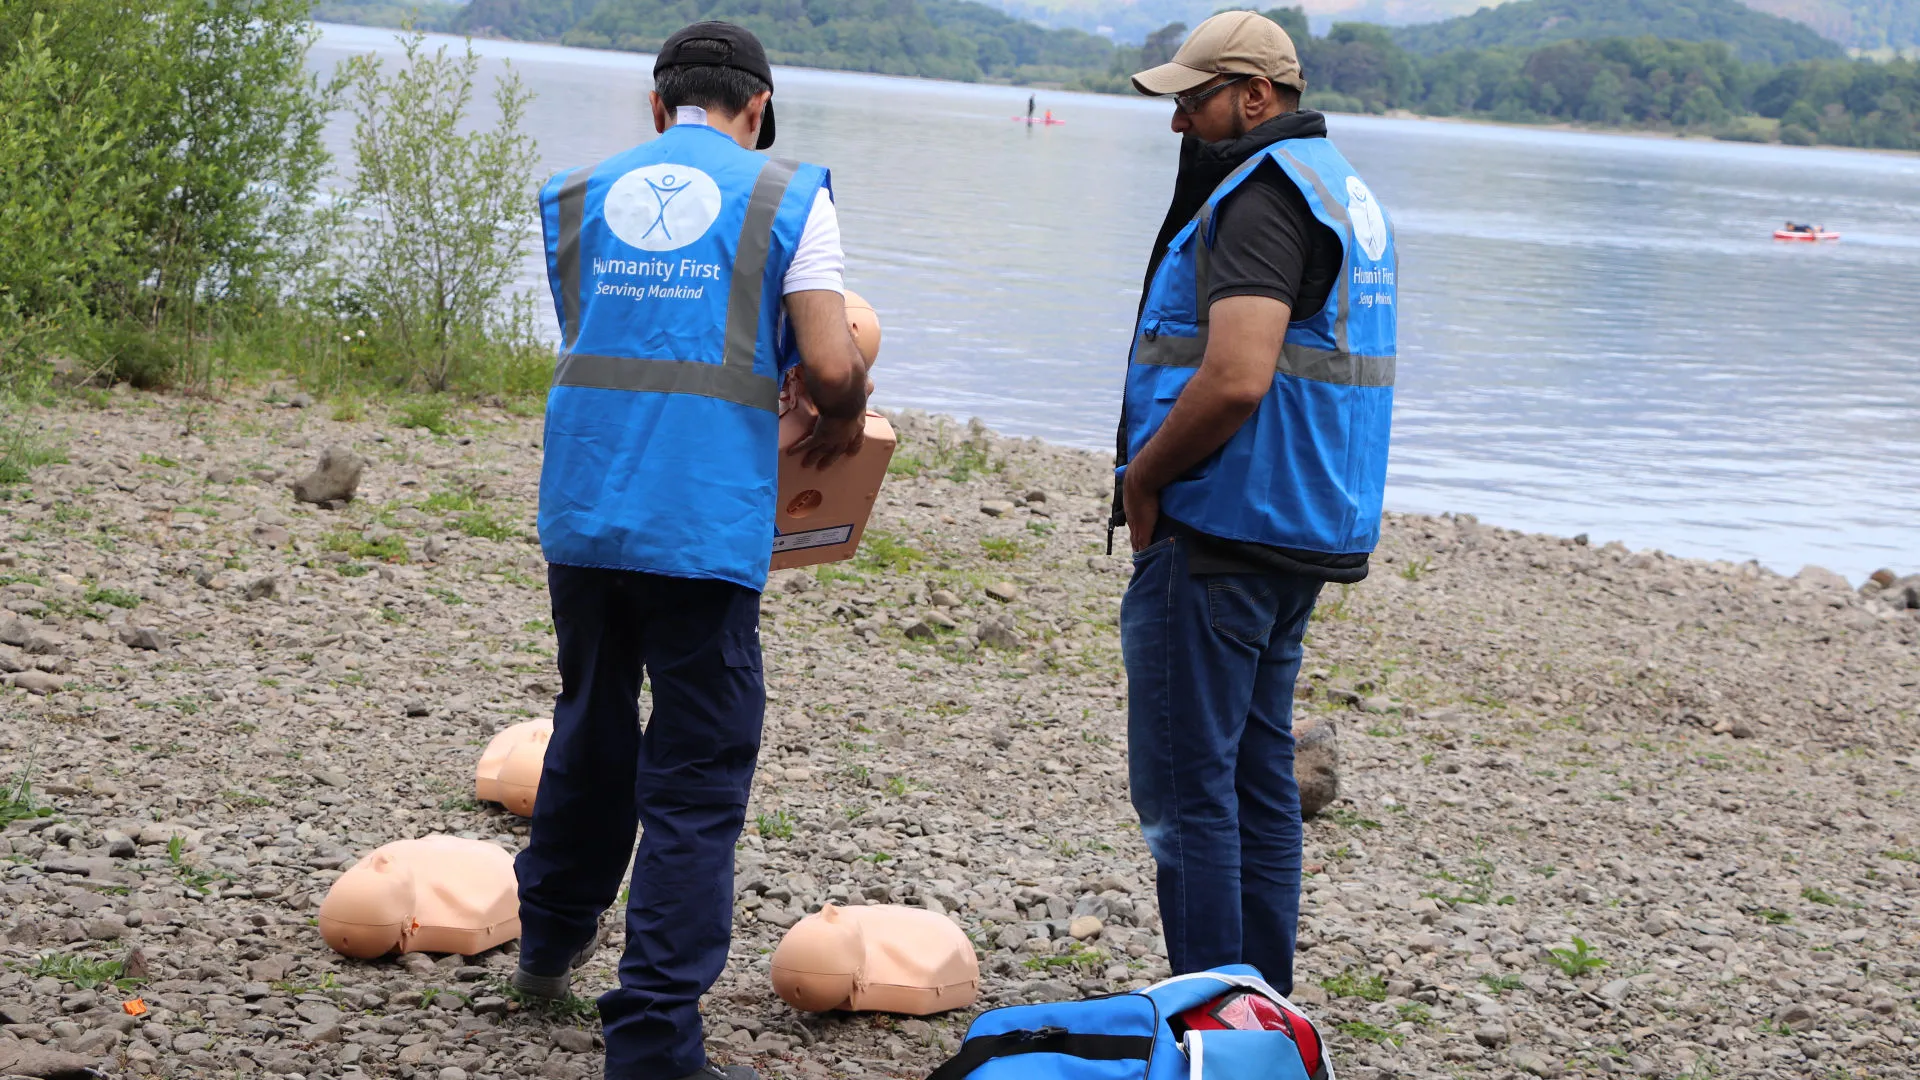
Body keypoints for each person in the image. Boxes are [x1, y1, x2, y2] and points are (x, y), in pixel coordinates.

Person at [513, 21, 870, 1080]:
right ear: (757, 107)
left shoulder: (577, 193)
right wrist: (839, 390)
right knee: (698, 775)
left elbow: (605, 336)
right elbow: (827, 360)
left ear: (656, 101)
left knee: (588, 724)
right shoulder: (786, 195)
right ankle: (655, 1041)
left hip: (585, 503)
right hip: (701, 519)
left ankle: (545, 951)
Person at [1110, 10, 1398, 995]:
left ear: (1256, 98)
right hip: (1298, 523)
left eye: (1195, 100)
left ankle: (1213, 1025)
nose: (1180, 122)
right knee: (1256, 780)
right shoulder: (1338, 188)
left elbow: (1236, 375)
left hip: (1226, 525)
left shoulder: (1263, 197)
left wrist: (1142, 477)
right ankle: (1259, 1013)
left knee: (1192, 792)